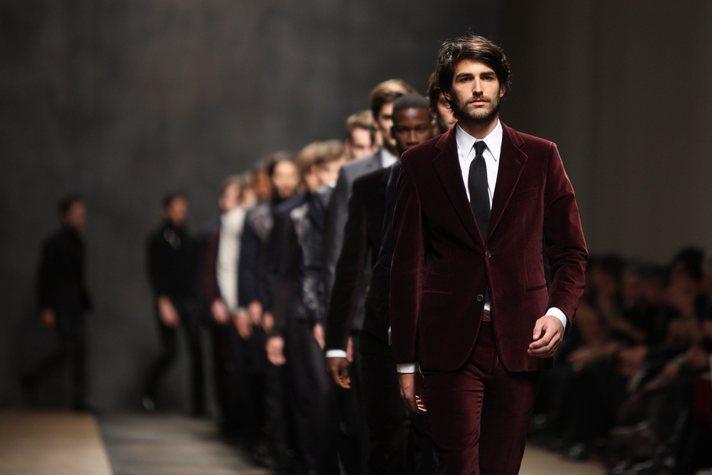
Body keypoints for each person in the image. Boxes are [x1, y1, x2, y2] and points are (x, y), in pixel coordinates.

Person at [389, 34, 588, 474]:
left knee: (502, 467)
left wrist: (558, 313)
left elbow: (571, 250)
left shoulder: (540, 157)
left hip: (521, 337)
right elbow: (407, 266)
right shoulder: (420, 164)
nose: (478, 87)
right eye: (465, 79)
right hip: (448, 341)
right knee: (458, 466)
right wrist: (405, 358)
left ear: (502, 86)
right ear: (447, 93)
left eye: (487, 77)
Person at [326, 94, 437, 473]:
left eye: (419, 128)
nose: (411, 137)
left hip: (439, 326)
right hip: (381, 327)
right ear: (391, 132)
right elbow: (350, 266)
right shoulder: (370, 187)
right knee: (386, 436)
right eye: (404, 130)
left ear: (433, 127)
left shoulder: (456, 180)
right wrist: (336, 341)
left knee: (432, 440)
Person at [20, 194, 92, 411]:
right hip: (60, 305)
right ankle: (32, 378)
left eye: (82, 214)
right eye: (75, 214)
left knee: (79, 351)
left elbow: (78, 277)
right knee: (68, 349)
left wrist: (85, 300)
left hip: (76, 305)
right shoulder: (54, 243)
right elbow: (44, 276)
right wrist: (46, 307)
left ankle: (79, 401)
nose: (80, 218)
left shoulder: (79, 242)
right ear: (64, 216)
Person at [143, 193, 204, 415]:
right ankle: (149, 393)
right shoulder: (158, 239)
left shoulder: (190, 238)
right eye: (177, 208)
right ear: (167, 210)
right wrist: (163, 301)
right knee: (169, 351)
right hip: (169, 300)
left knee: (197, 351)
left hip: (189, 301)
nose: (181, 212)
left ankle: (199, 405)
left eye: (183, 208)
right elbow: (155, 273)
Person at [202, 175, 250, 439]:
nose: (235, 201)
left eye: (239, 196)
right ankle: (228, 420)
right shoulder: (214, 231)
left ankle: (237, 423)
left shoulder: (242, 223)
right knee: (223, 364)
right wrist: (215, 301)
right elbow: (210, 271)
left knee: (238, 367)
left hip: (239, 305)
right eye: (232, 196)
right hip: (222, 305)